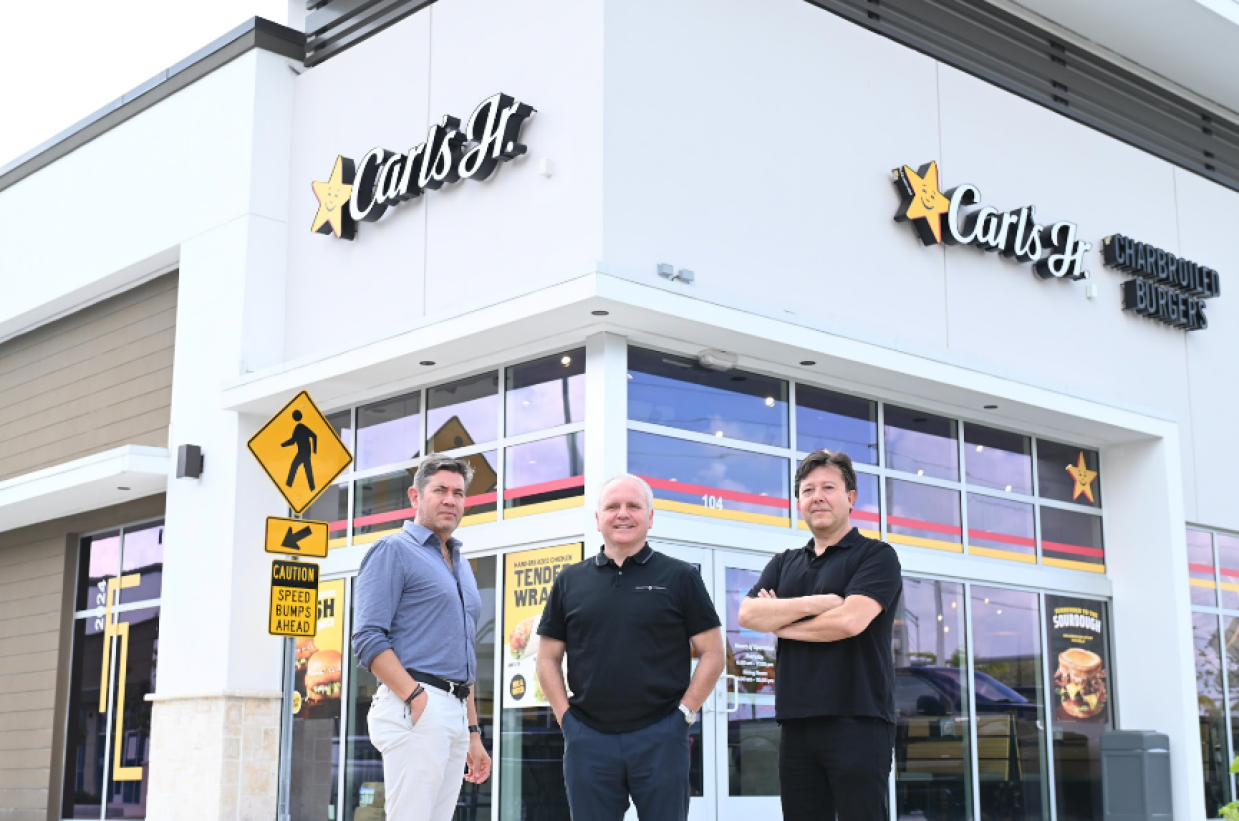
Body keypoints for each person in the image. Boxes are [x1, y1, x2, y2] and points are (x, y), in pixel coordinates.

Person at [536, 474, 725, 821]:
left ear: (650, 517)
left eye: (633, 506)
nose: (623, 514)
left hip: (661, 737)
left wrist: (684, 715)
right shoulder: (569, 581)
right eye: (612, 506)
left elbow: (713, 652)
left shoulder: (681, 577)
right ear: (597, 519)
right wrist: (567, 721)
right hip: (588, 739)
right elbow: (547, 657)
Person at [738, 449, 903, 821]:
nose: (818, 497)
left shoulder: (875, 556)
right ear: (799, 502)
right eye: (808, 490)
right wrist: (823, 602)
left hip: (858, 719)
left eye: (829, 487)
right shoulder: (784, 563)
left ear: (851, 498)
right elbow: (748, 614)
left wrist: (780, 622)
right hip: (796, 722)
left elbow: (849, 623)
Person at [352, 454, 492, 821]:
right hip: (417, 702)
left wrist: (473, 731)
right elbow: (368, 638)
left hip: (457, 710)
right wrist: (416, 698)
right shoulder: (393, 551)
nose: (450, 500)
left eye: (458, 493)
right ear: (415, 496)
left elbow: (464, 654)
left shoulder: (460, 564)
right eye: (440, 490)